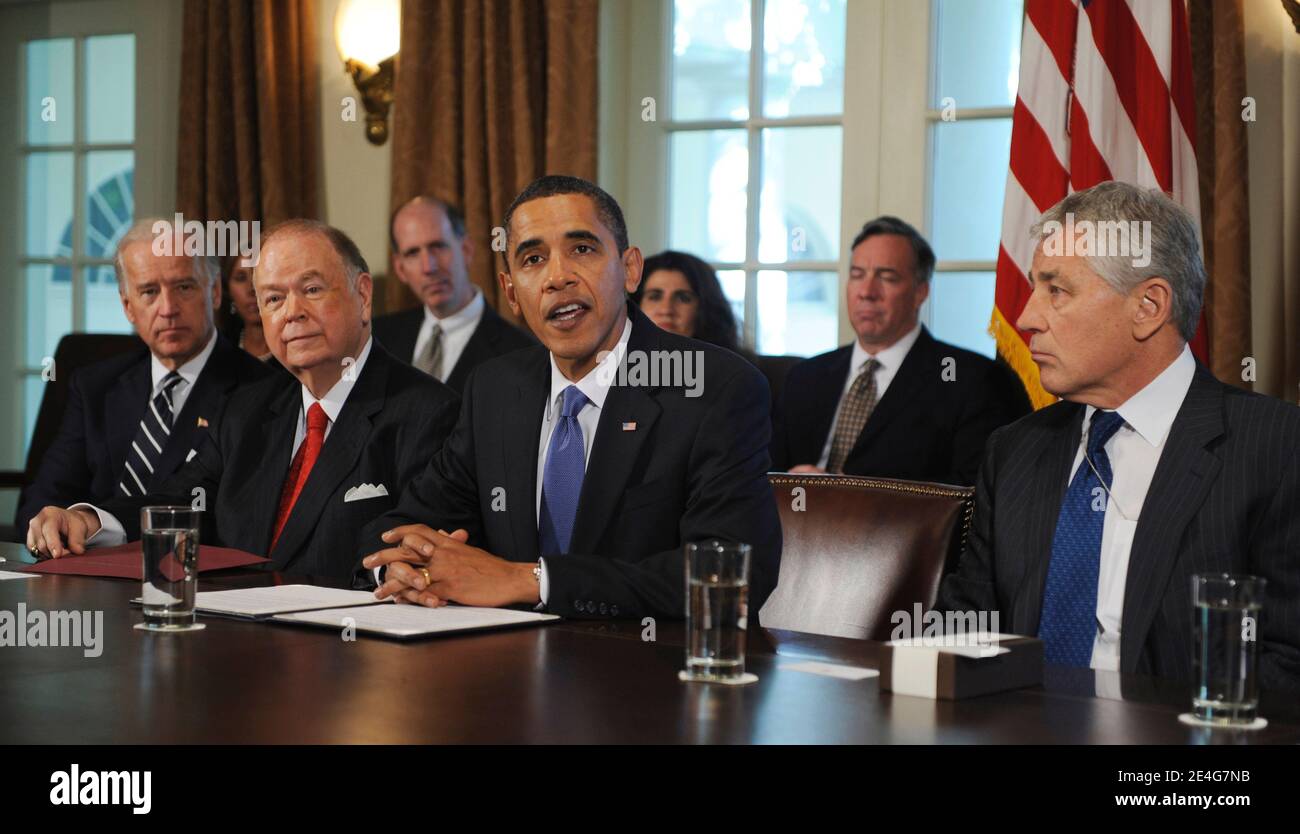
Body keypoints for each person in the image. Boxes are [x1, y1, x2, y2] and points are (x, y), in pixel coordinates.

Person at [359, 175, 782, 620]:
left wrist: (529, 580)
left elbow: (731, 574)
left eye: (582, 249)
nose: (558, 277)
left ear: (630, 268)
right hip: (503, 670)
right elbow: (398, 525)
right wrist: (404, 569)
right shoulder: (495, 390)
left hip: (645, 673)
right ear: (511, 293)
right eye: (534, 259)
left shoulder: (713, 386)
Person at [936, 181, 1300, 691]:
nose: (1025, 318)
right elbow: (964, 633)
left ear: (1149, 306)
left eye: (1056, 290)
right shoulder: (1014, 450)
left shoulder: (1277, 449)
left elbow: (1287, 665)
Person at [26, 220, 460, 580]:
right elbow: (179, 504)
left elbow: (408, 549)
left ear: (363, 294)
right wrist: (90, 520)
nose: (291, 312)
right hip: (231, 649)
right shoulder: (246, 411)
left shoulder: (430, 412)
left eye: (311, 290)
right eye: (273, 298)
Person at [15, 219, 270, 535]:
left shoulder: (260, 389)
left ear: (215, 292)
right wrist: (49, 528)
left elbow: (221, 516)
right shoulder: (94, 385)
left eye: (184, 287)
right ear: (127, 306)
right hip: (86, 572)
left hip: (194, 575)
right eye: (149, 291)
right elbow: (43, 499)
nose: (168, 309)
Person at [771, 216, 1030, 485]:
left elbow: (973, 492)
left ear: (921, 292)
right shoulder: (804, 377)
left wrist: (853, 497)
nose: (867, 292)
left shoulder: (971, 381)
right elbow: (760, 477)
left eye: (887, 277)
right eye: (857, 275)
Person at [373, 195, 534, 392]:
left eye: (438, 246)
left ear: (466, 249)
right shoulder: (375, 339)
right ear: (400, 269)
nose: (428, 267)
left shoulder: (521, 351)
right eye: (413, 253)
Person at [632, 250, 742, 353]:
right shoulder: (618, 366)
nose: (666, 310)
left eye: (683, 298)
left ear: (705, 308)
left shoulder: (741, 370)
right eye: (654, 297)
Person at [221, 257, 272, 360]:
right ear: (228, 289)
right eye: (241, 278)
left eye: (260, 276)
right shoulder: (218, 353)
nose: (252, 288)